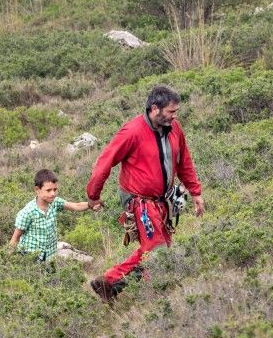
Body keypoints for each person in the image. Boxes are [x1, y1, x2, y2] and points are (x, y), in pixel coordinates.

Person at [86, 85, 204, 303]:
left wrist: (195, 192)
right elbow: (105, 161)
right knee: (157, 250)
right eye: (170, 112)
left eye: (175, 111)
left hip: (165, 199)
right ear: (154, 109)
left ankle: (110, 285)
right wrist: (93, 194)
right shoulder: (132, 131)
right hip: (138, 201)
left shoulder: (175, 129)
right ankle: (155, 297)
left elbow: (184, 161)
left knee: (161, 247)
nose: (174, 116)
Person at [9, 169, 93, 261]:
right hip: (31, 257)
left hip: (50, 256)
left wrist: (91, 204)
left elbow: (75, 206)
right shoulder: (28, 212)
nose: (53, 193)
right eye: (48, 190)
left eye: (55, 189)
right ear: (37, 190)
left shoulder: (55, 202)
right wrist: (10, 260)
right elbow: (15, 238)